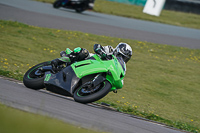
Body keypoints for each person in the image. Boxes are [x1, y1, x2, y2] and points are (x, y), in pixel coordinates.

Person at [51, 42, 132, 72]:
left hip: (93, 70)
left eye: (125, 59)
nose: (122, 59)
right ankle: (58, 61)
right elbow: (96, 46)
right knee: (84, 52)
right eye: (121, 56)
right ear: (117, 51)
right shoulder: (110, 49)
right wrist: (102, 53)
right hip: (88, 60)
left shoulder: (119, 66)